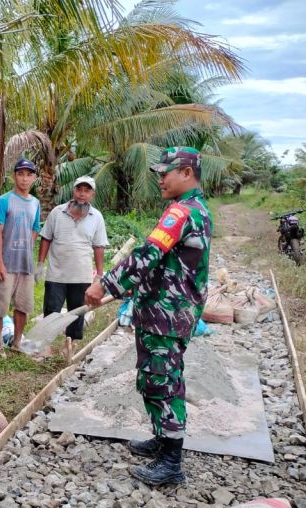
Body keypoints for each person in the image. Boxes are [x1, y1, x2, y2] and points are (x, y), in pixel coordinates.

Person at [86, 146, 212, 487]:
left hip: (167, 315)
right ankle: (162, 439)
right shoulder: (195, 209)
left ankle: (171, 463)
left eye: (166, 173)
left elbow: (148, 254)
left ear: (187, 173)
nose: (160, 178)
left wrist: (105, 285)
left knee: (163, 382)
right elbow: (165, 262)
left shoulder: (181, 212)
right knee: (156, 378)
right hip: (165, 311)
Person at [37, 175, 108, 357]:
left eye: (86, 191)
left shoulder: (96, 217)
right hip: (56, 274)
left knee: (77, 311)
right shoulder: (57, 212)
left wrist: (99, 275)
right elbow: (46, 239)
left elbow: (99, 247)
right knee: (51, 309)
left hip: (81, 274)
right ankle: (46, 346)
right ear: (73, 191)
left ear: (92, 194)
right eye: (79, 190)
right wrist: (40, 264)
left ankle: (70, 343)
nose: (82, 194)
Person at [0, 158, 41, 354]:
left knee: (23, 306)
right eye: (20, 174)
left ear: (34, 178)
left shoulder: (35, 203)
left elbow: (35, 229)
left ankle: (17, 343)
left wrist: (28, 249)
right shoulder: (3, 201)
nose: (24, 178)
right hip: (6, 263)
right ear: (14, 176)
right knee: (0, 307)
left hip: (25, 264)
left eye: (29, 175)